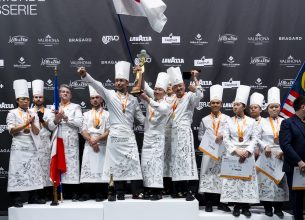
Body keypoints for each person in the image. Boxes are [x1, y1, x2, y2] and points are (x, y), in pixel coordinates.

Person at [78, 61, 145, 201]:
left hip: (128, 135)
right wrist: (85, 75)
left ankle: (136, 192)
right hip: (114, 136)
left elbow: (141, 119)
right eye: (117, 81)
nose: (118, 83)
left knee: (133, 163)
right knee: (114, 164)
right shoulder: (109, 95)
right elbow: (97, 84)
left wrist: (156, 119)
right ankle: (117, 192)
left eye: (121, 80)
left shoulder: (133, 100)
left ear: (127, 82)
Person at [221, 85, 259, 217]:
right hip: (233, 153)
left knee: (246, 180)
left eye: (237, 105)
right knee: (234, 179)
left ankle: (246, 206)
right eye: (234, 105)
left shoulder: (252, 121)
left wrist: (248, 151)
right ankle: (236, 205)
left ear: (243, 106)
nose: (235, 107)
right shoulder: (228, 121)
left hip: (247, 154)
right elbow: (225, 138)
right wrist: (236, 150)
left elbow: (255, 138)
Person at [167, 66, 203, 201]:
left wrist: (195, 80)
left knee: (188, 160)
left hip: (185, 132)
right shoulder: (171, 99)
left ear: (184, 85)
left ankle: (191, 191)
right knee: (177, 161)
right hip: (174, 133)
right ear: (173, 88)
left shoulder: (189, 96)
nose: (178, 88)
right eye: (175, 86)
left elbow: (199, 95)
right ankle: (180, 190)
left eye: (180, 85)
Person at [7, 79, 45, 207]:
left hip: (31, 145)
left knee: (33, 171)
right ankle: (17, 199)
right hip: (19, 146)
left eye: (27, 99)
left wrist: (33, 123)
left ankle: (33, 197)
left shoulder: (33, 113)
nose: (25, 101)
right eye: (22, 99)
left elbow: (37, 131)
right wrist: (26, 123)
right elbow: (12, 130)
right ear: (17, 100)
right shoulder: (12, 113)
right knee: (18, 171)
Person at [198, 84, 231, 212]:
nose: (215, 105)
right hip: (209, 152)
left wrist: (223, 135)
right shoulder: (204, 119)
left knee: (222, 176)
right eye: (213, 103)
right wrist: (208, 140)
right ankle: (209, 203)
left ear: (221, 104)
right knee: (208, 175)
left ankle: (223, 203)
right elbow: (200, 135)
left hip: (223, 152)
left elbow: (231, 134)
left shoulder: (228, 119)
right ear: (210, 105)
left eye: (217, 103)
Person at [256, 87, 289, 217]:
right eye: (271, 107)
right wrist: (265, 146)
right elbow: (257, 138)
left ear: (279, 108)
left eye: (276, 107)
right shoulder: (262, 122)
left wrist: (285, 150)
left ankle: (279, 208)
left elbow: (289, 139)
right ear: (267, 109)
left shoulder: (285, 122)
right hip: (267, 155)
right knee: (266, 182)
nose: (274, 109)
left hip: (281, 156)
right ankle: (267, 207)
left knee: (279, 182)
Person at [48, 84, 83, 201]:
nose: (65, 93)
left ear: (71, 95)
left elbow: (79, 123)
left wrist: (66, 118)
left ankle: (74, 193)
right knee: (59, 164)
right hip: (58, 139)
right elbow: (50, 127)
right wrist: (56, 119)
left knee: (72, 166)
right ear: (59, 94)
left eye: (67, 92)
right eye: (62, 91)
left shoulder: (76, 107)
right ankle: (59, 192)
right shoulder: (54, 107)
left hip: (71, 141)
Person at [140, 72, 171, 200]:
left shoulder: (167, 103)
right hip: (147, 137)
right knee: (146, 164)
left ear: (164, 92)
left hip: (158, 138)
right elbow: (144, 85)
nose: (157, 91)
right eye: (156, 89)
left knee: (156, 165)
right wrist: (140, 73)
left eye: (160, 90)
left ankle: (157, 191)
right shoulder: (153, 98)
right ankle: (147, 189)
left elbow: (162, 109)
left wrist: (147, 99)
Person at [79, 85, 110, 202]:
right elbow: (83, 130)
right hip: (89, 144)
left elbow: (109, 130)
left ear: (101, 99)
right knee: (88, 169)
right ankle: (86, 193)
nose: (95, 100)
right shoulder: (85, 114)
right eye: (92, 98)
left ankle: (100, 193)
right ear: (90, 100)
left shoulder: (107, 114)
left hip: (102, 144)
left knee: (100, 169)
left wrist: (97, 139)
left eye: (97, 97)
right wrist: (92, 141)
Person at [280, 95, 305, 220]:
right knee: (297, 200)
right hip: (296, 169)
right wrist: (299, 161)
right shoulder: (287, 123)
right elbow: (285, 145)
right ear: (303, 107)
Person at [30, 79, 55, 200]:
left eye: (40, 97)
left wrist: (41, 119)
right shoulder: (29, 112)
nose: (38, 99)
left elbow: (51, 127)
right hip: (33, 142)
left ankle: (46, 194)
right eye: (36, 97)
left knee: (46, 167)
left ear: (43, 98)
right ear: (33, 98)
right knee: (35, 167)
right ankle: (35, 195)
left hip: (45, 142)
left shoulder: (50, 112)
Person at [249, 92, 264, 160]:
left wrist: (258, 148)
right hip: (248, 153)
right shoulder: (246, 122)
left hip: (263, 152)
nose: (253, 109)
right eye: (251, 108)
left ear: (260, 109)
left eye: (255, 107)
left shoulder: (265, 122)